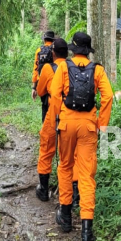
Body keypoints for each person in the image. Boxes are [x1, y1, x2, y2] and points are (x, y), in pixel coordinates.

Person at [47, 32, 113, 241]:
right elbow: (108, 95)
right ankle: (87, 232)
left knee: (65, 167)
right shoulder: (98, 69)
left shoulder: (64, 67)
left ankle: (65, 216)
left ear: (74, 49)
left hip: (66, 123)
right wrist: (101, 124)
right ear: (88, 50)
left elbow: (55, 94)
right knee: (86, 175)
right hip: (88, 126)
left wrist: (59, 117)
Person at [35, 38, 78, 209]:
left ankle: (43, 189)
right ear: (67, 53)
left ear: (52, 53)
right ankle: (74, 196)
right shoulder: (71, 68)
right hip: (71, 117)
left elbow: (40, 91)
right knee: (70, 156)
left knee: (46, 149)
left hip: (54, 114)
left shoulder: (48, 68)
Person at [31, 30, 55, 112]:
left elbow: (35, 69)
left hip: (41, 82)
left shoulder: (39, 50)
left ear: (44, 40)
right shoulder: (55, 50)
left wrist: (34, 87)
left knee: (44, 106)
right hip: (53, 82)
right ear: (53, 40)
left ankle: (44, 123)